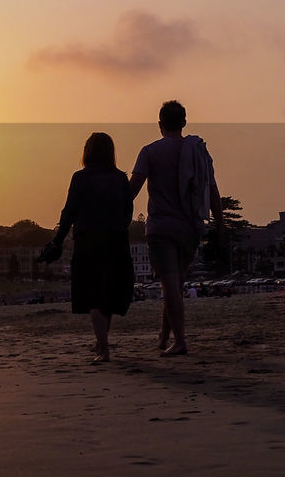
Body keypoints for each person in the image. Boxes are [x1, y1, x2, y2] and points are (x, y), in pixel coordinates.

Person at [129, 100, 224, 356]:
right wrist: (220, 223)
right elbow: (211, 190)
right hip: (189, 227)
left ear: (160, 124)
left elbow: (133, 188)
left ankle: (180, 340)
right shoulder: (198, 152)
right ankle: (164, 337)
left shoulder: (150, 152)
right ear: (183, 122)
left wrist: (113, 211)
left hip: (161, 226)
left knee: (170, 284)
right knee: (176, 283)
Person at [43, 132, 135, 363]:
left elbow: (69, 212)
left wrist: (58, 240)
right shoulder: (121, 179)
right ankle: (101, 341)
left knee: (93, 295)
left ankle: (103, 349)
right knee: (110, 294)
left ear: (87, 152)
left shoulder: (80, 178)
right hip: (116, 241)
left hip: (88, 241)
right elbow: (128, 212)